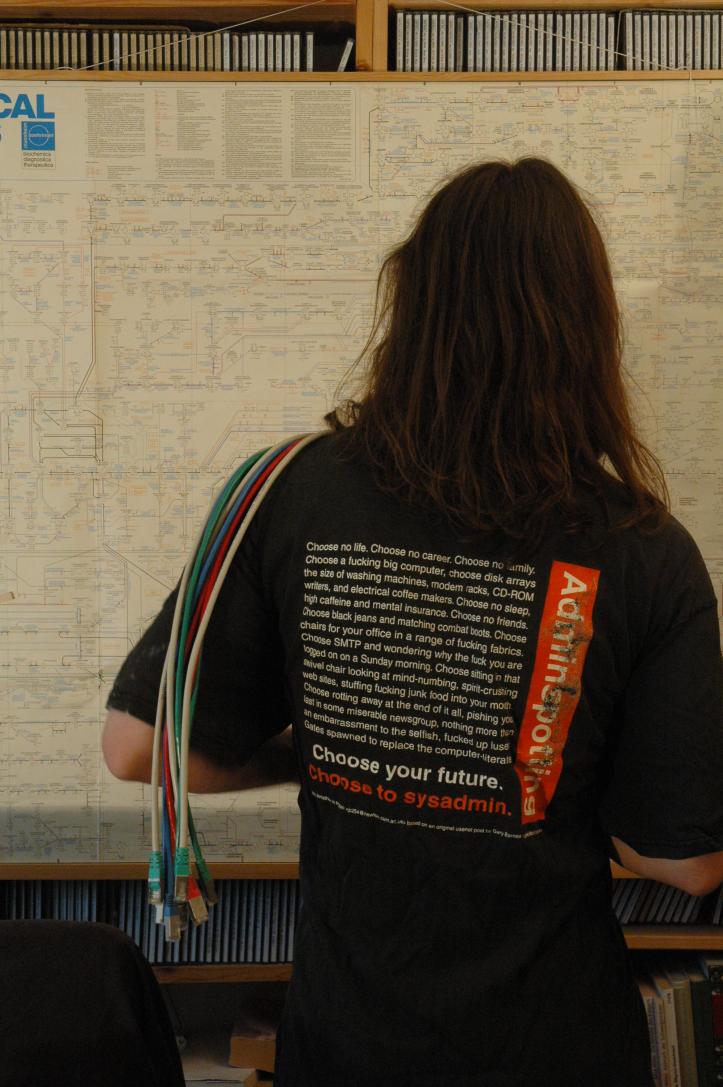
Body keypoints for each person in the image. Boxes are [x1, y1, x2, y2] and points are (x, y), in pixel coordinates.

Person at [103, 157, 723, 1087]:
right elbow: (684, 861)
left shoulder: (286, 492)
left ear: (412, 304)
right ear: (588, 328)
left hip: (345, 1046)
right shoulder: (646, 549)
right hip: (553, 1048)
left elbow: (137, 747)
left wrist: (315, 756)